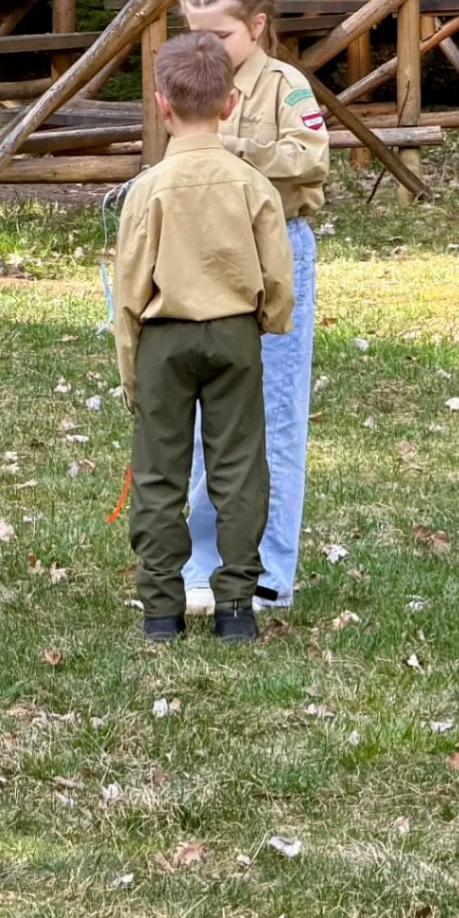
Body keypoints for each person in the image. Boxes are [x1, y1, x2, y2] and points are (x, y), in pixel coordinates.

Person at [114, 32, 295, 644]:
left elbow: (129, 290)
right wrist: (267, 322)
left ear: (161, 103)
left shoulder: (148, 189)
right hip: (235, 334)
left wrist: (131, 373)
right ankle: (236, 607)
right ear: (230, 103)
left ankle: (161, 611)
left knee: (158, 473)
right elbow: (278, 274)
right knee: (239, 469)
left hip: (163, 340)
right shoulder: (252, 184)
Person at [177, 0, 328, 615]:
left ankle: (267, 571)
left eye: (220, 35)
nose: (205, 48)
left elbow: (311, 157)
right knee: (205, 411)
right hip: (203, 255)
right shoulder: (191, 84)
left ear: (258, 27)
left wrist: (236, 153)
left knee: (274, 413)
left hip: (272, 255)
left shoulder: (285, 86)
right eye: (193, 34)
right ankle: (203, 565)